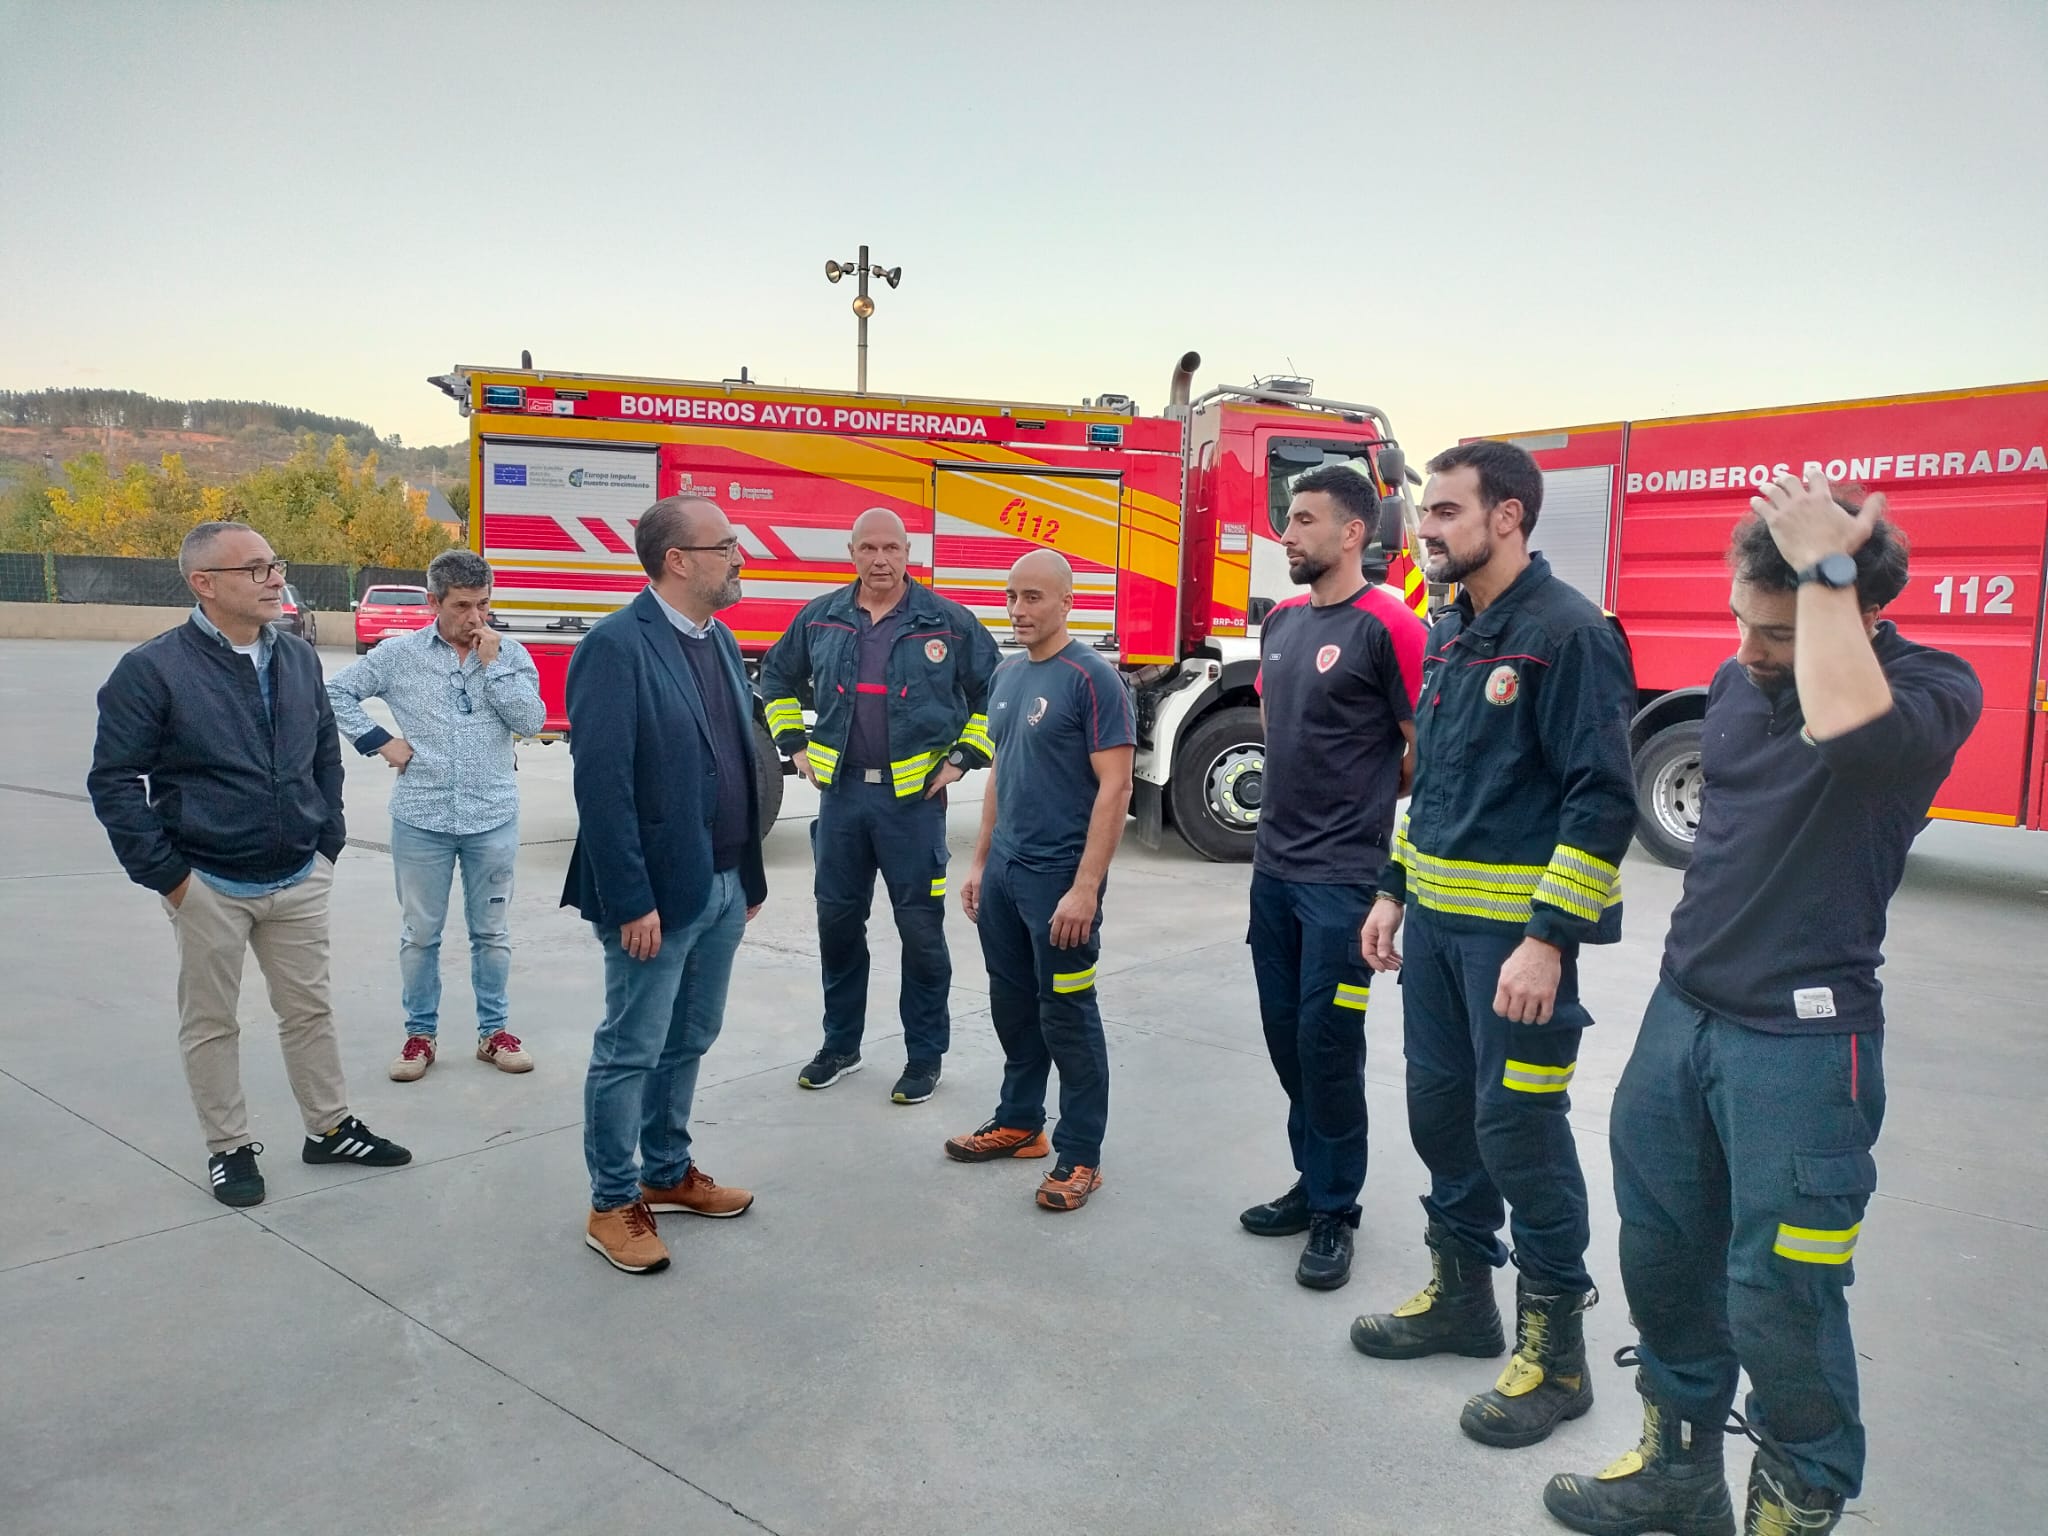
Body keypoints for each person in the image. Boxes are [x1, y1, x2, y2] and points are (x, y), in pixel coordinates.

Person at [1544, 474, 1981, 1536]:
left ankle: (1795, 1495)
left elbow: (1852, 734)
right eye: (1742, 621)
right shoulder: (1737, 685)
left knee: (1781, 1292)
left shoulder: (1929, 690)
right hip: (1682, 1014)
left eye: (1777, 634)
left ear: (1858, 610)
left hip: (1802, 1045)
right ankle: (1677, 1469)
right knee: (1659, 1251)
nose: (1747, 654)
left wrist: (1825, 569)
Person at [1351, 440, 1636, 1449]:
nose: (1421, 529)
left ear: (1506, 516)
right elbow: (1432, 778)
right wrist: (1392, 887)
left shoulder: (1567, 635)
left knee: (1517, 1131)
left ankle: (1555, 1355)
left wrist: (1548, 940)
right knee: (1441, 1116)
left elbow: (1600, 800)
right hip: (1431, 935)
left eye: (1441, 512)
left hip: (1512, 953)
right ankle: (1463, 1302)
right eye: (1424, 513)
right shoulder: (1453, 627)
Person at [87, 521, 411, 1208]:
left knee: (310, 1011)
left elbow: (324, 746)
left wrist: (328, 838)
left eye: (276, 565)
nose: (274, 578)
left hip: (299, 872)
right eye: (255, 568)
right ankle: (228, 1148)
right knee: (212, 1022)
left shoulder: (295, 657)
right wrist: (172, 879)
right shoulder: (151, 670)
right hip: (208, 881)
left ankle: (328, 1129)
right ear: (204, 584)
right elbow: (114, 782)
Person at [561, 495, 769, 1275]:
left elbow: (737, 766)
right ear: (678, 561)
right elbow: (603, 787)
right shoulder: (616, 648)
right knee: (631, 1048)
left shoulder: (717, 638)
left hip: (719, 885)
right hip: (654, 897)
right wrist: (630, 900)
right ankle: (612, 1201)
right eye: (726, 545)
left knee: (691, 1036)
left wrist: (745, 872)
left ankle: (667, 1171)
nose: (740, 555)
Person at [1239, 463, 1426, 1290]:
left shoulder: (1392, 624)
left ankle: (1336, 1211)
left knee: (1329, 1044)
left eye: (1306, 520)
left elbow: (1424, 751)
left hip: (1343, 883)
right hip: (1273, 874)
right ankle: (1311, 1181)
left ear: (1354, 533)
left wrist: (1367, 819)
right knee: (1287, 1041)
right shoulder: (1280, 622)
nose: (1289, 532)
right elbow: (1282, 731)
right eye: (1288, 517)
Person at [759, 508, 1000, 1105]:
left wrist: (964, 757)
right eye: (868, 548)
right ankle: (840, 1045)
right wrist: (794, 746)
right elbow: (775, 676)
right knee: (837, 925)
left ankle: (924, 1057)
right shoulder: (822, 618)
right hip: (842, 801)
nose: (880, 560)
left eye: (891, 548)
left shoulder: (946, 622)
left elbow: (996, 692)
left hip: (913, 808)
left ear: (909, 552)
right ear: (851, 552)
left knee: (920, 932)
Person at [946, 550, 1134, 1213]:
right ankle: (1020, 1122)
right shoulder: (1005, 675)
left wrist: (1085, 887)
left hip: (1060, 878)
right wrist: (979, 864)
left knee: (1068, 1016)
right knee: (1013, 1005)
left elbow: (1116, 786)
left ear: (1065, 603)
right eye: (1011, 596)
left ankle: (1081, 1153)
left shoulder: (1093, 679)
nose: (1019, 610)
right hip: (1006, 875)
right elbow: (1004, 771)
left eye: (1033, 598)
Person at [326, 549, 547, 1082]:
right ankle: (419, 1036)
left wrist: (494, 669)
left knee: (491, 932)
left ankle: (493, 1032)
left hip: (491, 815)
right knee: (420, 933)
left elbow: (533, 720)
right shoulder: (399, 655)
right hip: (421, 817)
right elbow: (336, 690)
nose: (476, 618)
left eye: (484, 605)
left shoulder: (509, 654)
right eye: (464, 606)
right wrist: (380, 741)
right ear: (434, 602)